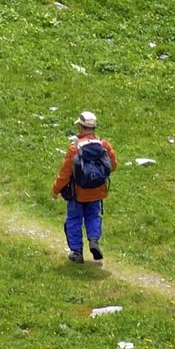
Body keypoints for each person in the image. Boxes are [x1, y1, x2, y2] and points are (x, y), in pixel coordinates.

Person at [52, 111, 116, 263]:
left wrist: (55, 190)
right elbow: (112, 165)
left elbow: (65, 174)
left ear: (81, 127)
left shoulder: (75, 149)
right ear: (94, 127)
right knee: (93, 216)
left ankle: (77, 252)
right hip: (97, 192)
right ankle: (94, 241)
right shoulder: (104, 145)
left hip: (77, 194)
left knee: (74, 220)